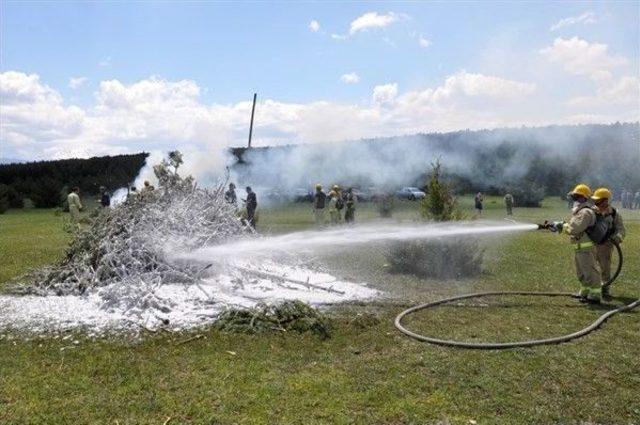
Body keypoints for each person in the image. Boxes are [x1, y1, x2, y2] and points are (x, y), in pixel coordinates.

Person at [549, 184, 601, 303]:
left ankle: (595, 295)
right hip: (579, 247)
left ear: (583, 198)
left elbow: (575, 228)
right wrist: (561, 225)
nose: (575, 200)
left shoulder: (585, 212)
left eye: (577, 197)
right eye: (574, 197)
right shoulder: (581, 211)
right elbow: (573, 226)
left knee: (590, 271)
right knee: (582, 272)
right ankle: (585, 291)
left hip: (585, 247)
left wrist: (561, 226)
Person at [591, 188, 625, 299]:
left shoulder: (614, 213)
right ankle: (591, 288)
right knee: (590, 267)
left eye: (599, 200)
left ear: (605, 200)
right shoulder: (591, 212)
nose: (596, 202)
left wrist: (616, 238)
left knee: (605, 269)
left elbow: (621, 230)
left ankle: (605, 289)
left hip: (606, 246)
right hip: (591, 245)